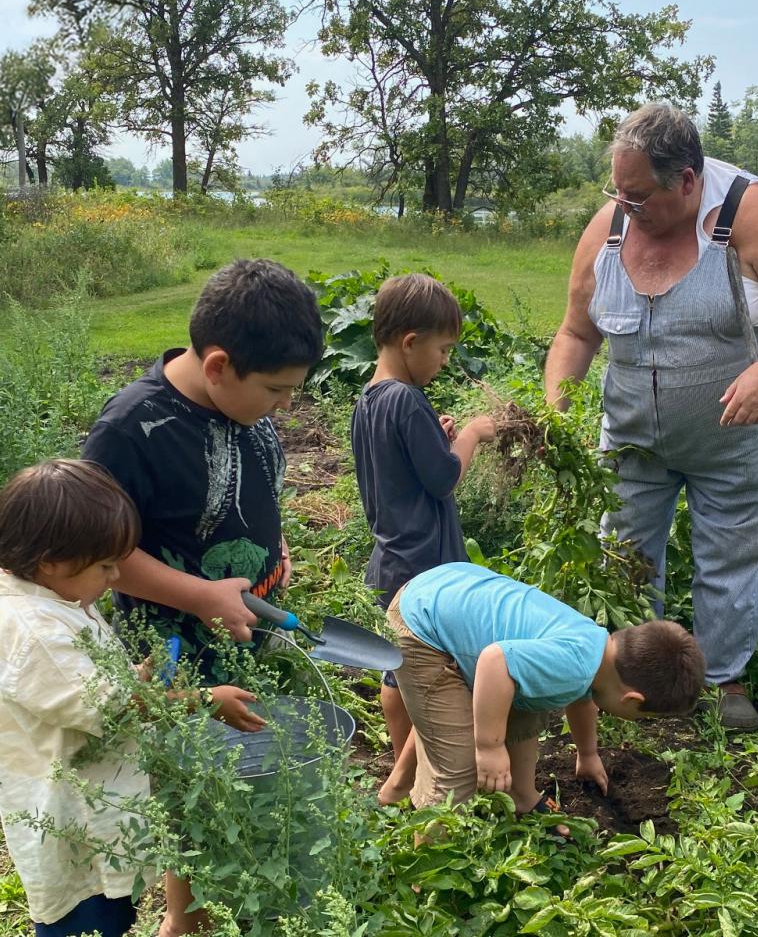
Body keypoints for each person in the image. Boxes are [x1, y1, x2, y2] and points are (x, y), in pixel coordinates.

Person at [81, 258, 324, 932]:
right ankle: (183, 916)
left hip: (239, 624)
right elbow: (96, 553)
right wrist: (198, 596)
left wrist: (275, 552)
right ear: (218, 365)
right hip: (171, 641)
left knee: (235, 759)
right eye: (277, 391)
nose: (286, 405)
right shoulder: (132, 428)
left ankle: (224, 886)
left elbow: (253, 487)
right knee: (189, 773)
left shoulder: (245, 401)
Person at [544, 102, 758, 731]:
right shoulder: (608, 230)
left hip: (735, 439)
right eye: (618, 193)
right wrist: (553, 411)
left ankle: (720, 680)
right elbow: (576, 334)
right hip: (631, 440)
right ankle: (636, 678)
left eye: (638, 197)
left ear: (687, 179)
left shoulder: (749, 213)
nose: (624, 208)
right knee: (623, 551)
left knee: (734, 552)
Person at [0, 460, 263, 937]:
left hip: (97, 801)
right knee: (86, 921)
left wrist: (135, 676)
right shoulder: (34, 630)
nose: (116, 574)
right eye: (104, 565)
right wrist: (202, 698)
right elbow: (106, 706)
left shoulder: (55, 599)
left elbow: (79, 688)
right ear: (51, 561)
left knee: (112, 912)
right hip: (72, 819)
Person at [387, 561, 705, 819]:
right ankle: (429, 872)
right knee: (458, 772)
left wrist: (588, 754)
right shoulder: (574, 666)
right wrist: (489, 748)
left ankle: (519, 796)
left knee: (527, 703)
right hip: (424, 627)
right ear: (632, 698)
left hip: (449, 588)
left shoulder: (595, 653)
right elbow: (495, 662)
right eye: (640, 717)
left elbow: (581, 702)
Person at [350, 273, 497, 802]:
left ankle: (400, 764)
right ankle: (417, 775)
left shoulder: (370, 398)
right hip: (424, 564)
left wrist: (438, 436)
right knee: (431, 671)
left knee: (396, 669)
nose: (444, 361)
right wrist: (473, 435)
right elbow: (443, 478)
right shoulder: (406, 399)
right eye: (442, 349)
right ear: (410, 341)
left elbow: (401, 464)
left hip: (390, 555)